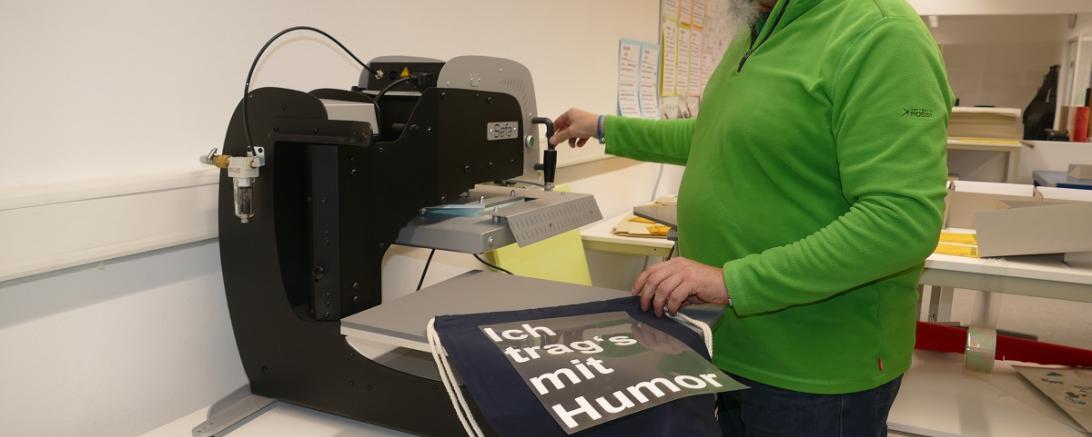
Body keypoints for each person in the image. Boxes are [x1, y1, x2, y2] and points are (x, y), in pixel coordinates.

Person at [549, 0, 952, 435]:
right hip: (732, 346)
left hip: (816, 374)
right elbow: (717, 133)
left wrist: (730, 282)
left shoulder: (882, 34)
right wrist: (604, 127)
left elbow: (901, 221)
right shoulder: (759, 27)